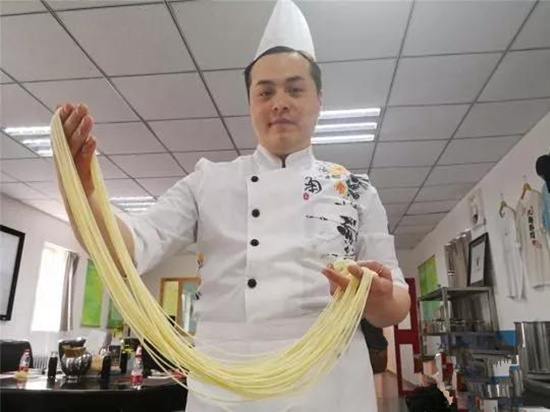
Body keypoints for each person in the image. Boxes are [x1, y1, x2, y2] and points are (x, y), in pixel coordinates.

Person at [55, 1, 410, 410]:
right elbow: (126, 250)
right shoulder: (208, 181)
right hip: (225, 384)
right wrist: (82, 190)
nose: (279, 102)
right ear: (250, 103)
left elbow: (396, 303)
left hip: (329, 382)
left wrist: (378, 298)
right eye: (265, 92)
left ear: (319, 100)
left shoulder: (356, 189)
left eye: (295, 89)